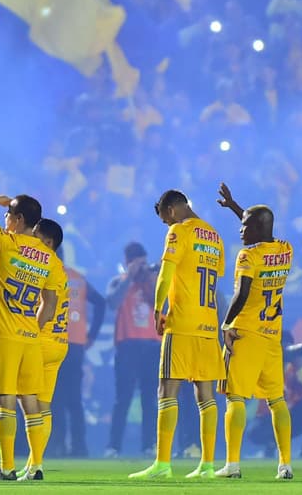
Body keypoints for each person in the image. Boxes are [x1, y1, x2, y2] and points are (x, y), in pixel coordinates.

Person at [0, 194, 66, 482]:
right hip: (30, 337)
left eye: (8, 214)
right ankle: (36, 467)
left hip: (3, 334)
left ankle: (6, 468)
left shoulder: (7, 242)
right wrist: (34, 326)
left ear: (19, 220)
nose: (4, 219)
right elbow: (50, 302)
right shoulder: (50, 259)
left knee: (5, 401)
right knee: (31, 402)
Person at [130, 189, 225, 480]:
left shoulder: (178, 232)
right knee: (205, 395)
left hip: (182, 323)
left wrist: (158, 309)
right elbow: (215, 284)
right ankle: (207, 465)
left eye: (164, 219)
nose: (166, 225)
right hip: (208, 325)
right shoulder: (215, 236)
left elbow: (166, 273)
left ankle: (162, 463)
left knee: (167, 390)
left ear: (171, 210)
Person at [212, 182, 295, 480]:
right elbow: (259, 224)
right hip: (272, 336)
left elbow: (242, 294)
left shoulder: (247, 257)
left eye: (245, 225)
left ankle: (232, 465)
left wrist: (226, 323)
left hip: (245, 333)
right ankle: (285, 464)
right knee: (277, 401)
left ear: (258, 229)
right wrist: (235, 207)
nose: (240, 230)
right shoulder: (285, 250)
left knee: (235, 398)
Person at [105, 241, 159, 457]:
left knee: (150, 399)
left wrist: (150, 278)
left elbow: (160, 302)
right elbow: (111, 302)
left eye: (144, 263)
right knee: (123, 398)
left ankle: (149, 445)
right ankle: (114, 446)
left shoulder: (152, 282)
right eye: (138, 263)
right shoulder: (118, 281)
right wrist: (129, 277)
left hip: (152, 345)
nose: (142, 267)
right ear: (128, 263)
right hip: (127, 345)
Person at [50, 249, 105, 458]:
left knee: (54, 396)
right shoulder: (77, 278)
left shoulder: (42, 274)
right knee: (73, 398)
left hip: (53, 340)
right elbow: (100, 302)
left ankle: (57, 445)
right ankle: (79, 446)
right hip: (76, 343)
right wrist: (90, 335)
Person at [25, 218, 68, 478]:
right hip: (60, 342)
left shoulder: (42, 266)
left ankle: (27, 462)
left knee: (22, 401)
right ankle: (34, 464)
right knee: (44, 406)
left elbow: (47, 306)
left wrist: (30, 333)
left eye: (36, 236)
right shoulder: (60, 268)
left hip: (40, 340)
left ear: (48, 243)